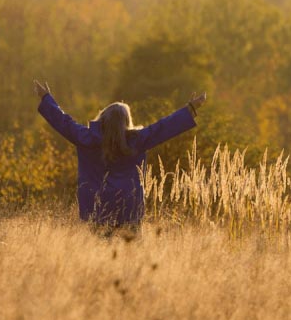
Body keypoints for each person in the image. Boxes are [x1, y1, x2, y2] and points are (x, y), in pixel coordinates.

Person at [34, 80, 206, 235]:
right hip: (129, 208)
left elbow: (64, 122)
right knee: (128, 257)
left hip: (96, 208)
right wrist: (191, 108)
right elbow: (163, 127)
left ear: (102, 119)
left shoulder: (86, 138)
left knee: (99, 255)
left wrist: (47, 98)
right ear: (126, 121)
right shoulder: (137, 140)